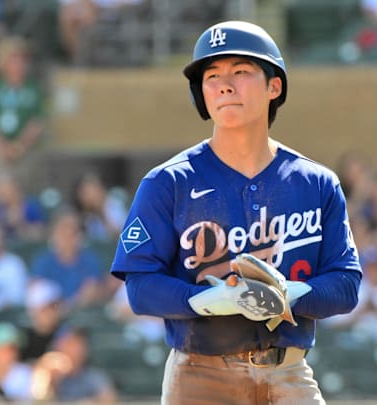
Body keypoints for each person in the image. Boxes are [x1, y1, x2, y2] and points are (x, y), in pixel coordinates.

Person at [109, 21, 361, 404]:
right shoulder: (168, 182)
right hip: (199, 375)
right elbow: (141, 288)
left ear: (274, 86)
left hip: (288, 371)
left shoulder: (316, 183)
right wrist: (209, 301)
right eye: (212, 75)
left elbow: (346, 285)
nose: (224, 84)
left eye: (240, 71)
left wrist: (291, 295)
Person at [0, 36, 46, 193]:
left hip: (24, 148)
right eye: (14, 59)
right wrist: (2, 146)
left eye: (23, 59)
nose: (19, 64)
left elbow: (37, 122)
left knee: (26, 177)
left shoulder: (33, 89)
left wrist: (20, 145)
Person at [37, 327, 117, 403]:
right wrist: (49, 379)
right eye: (68, 344)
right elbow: (38, 399)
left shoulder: (94, 376)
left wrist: (91, 402)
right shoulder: (48, 372)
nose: (74, 350)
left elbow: (109, 399)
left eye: (77, 344)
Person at [19, 279, 66, 361]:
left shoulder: (65, 336)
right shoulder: (22, 341)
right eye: (45, 308)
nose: (51, 313)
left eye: (54, 307)